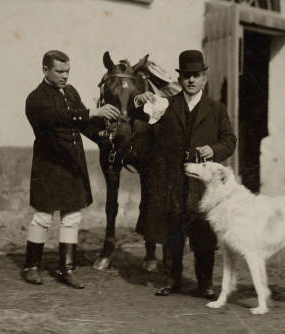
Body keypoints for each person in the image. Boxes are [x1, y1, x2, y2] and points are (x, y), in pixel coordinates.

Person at [134, 50, 237, 298]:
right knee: (173, 231)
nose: (191, 80)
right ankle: (172, 279)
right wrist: (139, 101)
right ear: (180, 79)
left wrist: (213, 149)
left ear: (204, 78)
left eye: (196, 75)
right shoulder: (166, 105)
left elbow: (230, 140)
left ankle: (205, 284)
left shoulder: (216, 109)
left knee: (203, 233)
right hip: (173, 181)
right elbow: (141, 124)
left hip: (203, 184)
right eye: (187, 76)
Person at [22, 50, 120, 288]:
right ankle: (31, 266)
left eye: (68, 71)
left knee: (72, 216)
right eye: (60, 71)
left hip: (72, 163)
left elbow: (83, 124)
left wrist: (103, 136)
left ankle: (67, 268)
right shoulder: (36, 98)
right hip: (49, 165)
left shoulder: (71, 92)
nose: (65, 76)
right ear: (45, 70)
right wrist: (92, 112)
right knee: (44, 216)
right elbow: (58, 117)